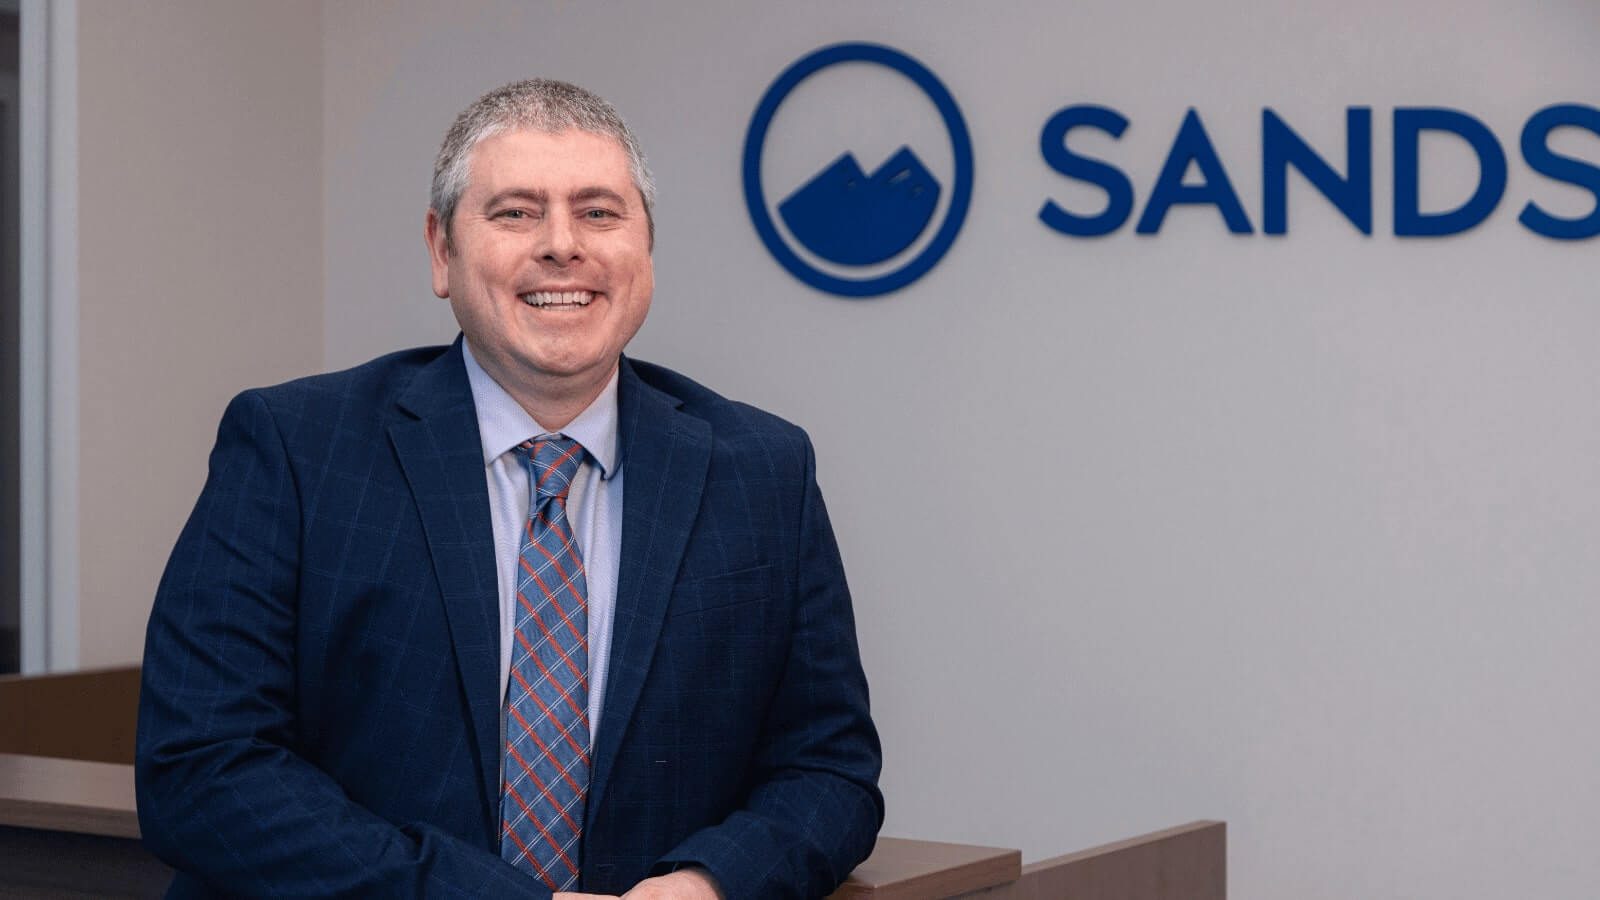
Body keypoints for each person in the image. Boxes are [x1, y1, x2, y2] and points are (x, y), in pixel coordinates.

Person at [136, 79, 883, 900]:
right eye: (516, 213)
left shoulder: (761, 470)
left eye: (599, 212)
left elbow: (828, 770)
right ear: (441, 252)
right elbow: (200, 771)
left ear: (646, 252)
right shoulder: (296, 450)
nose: (563, 245)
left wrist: (708, 885)